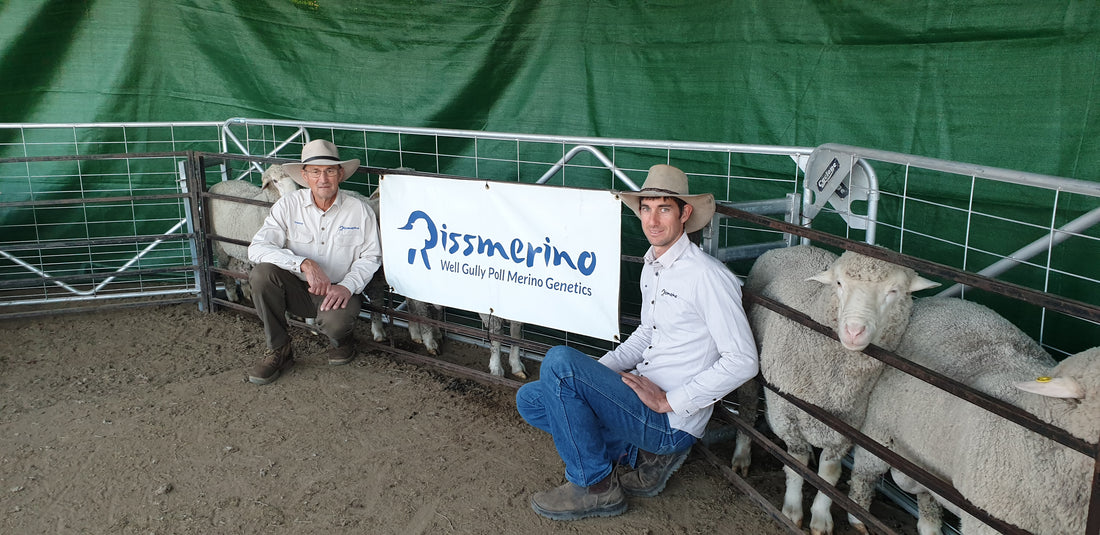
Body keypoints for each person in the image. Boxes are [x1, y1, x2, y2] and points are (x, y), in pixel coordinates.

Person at [516, 164, 759, 520]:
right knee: (532, 400)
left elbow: (742, 360)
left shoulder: (707, 277)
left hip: (669, 421)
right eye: (646, 208)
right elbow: (646, 333)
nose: (653, 219)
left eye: (664, 208)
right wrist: (591, 380)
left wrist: (670, 401)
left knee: (558, 362)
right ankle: (633, 453)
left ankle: (596, 486)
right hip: (639, 397)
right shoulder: (653, 266)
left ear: (684, 213)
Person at [245, 139, 382, 385]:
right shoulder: (288, 205)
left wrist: (348, 286)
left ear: (340, 174)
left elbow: (371, 256)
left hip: (337, 292)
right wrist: (304, 264)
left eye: (330, 171)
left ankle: (342, 340)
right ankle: (279, 349)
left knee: (337, 323)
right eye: (315, 172)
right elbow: (257, 247)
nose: (323, 179)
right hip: (295, 288)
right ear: (305, 176)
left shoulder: (360, 211)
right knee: (261, 275)